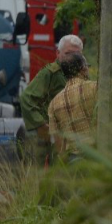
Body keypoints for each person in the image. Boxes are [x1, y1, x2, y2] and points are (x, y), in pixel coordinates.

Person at [20, 34, 84, 164]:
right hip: (47, 134)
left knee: (61, 176)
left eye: (76, 54)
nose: (72, 58)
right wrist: (41, 125)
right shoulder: (50, 73)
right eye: (68, 53)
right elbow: (27, 99)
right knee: (35, 175)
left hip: (68, 135)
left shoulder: (81, 75)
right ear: (58, 54)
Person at [48, 53, 97, 158]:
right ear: (83, 68)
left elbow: (57, 141)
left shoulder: (53, 103)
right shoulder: (95, 88)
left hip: (72, 160)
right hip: (97, 155)